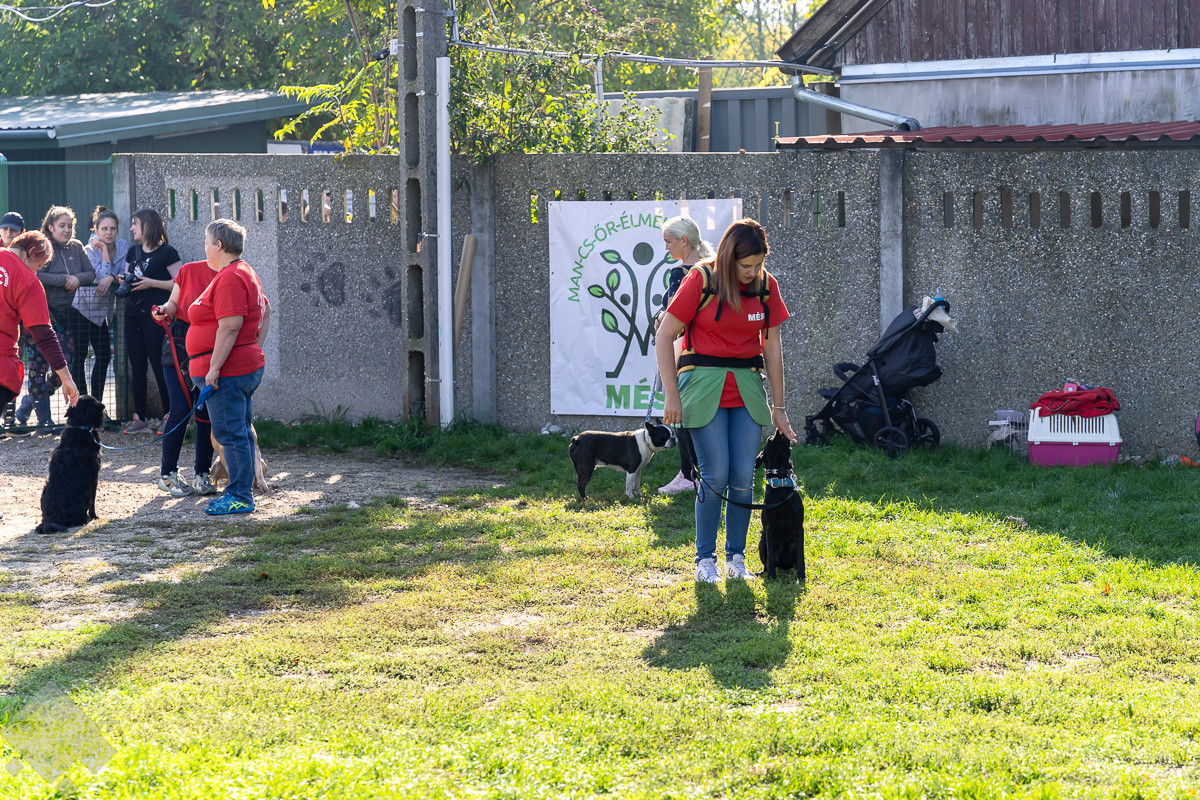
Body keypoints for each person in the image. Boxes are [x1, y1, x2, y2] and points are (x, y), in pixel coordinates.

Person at [655, 218, 796, 584]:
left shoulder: (767, 285)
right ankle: (705, 560)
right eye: (745, 265)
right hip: (703, 386)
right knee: (715, 475)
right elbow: (664, 335)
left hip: (747, 387)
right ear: (728, 257)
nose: (752, 272)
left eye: (758, 264)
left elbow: (772, 346)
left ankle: (737, 558)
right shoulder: (700, 279)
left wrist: (779, 407)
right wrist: (672, 394)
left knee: (743, 477)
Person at [185, 219, 271, 515]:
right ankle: (240, 492)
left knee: (231, 434)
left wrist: (214, 368)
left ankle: (239, 496)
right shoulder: (242, 272)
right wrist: (253, 347)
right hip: (238, 367)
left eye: (206, 242)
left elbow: (231, 325)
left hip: (228, 373)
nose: (205, 247)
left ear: (218, 245)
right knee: (240, 432)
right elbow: (266, 310)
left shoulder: (232, 277)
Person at [150, 253, 219, 498]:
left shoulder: (231, 273)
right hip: (179, 344)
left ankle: (202, 473)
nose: (206, 245)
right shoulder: (188, 270)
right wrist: (162, 310)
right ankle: (168, 474)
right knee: (180, 408)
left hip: (213, 346)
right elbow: (173, 303)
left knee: (206, 412)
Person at [656, 215, 714, 496]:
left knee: (679, 413)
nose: (666, 247)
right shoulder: (713, 269)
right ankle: (705, 472)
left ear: (683, 240)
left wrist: (660, 319)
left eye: (668, 241)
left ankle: (688, 474)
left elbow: (673, 320)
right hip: (712, 354)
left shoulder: (682, 274)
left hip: (684, 351)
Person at [1, 231, 79, 413]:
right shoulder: (29, 282)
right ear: (31, 252)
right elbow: (44, 335)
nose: (40, 268)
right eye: (41, 263)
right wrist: (66, 378)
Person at [120, 208, 180, 433]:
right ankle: (139, 417)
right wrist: (125, 280)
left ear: (148, 225)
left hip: (156, 318)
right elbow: (127, 277)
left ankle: (169, 415)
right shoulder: (132, 251)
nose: (132, 228)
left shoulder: (167, 252)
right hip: (132, 315)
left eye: (135, 223)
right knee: (137, 367)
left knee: (159, 365)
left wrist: (151, 283)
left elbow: (179, 283)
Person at [73, 206, 126, 405]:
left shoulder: (123, 247)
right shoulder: (89, 250)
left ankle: (96, 404)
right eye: (104, 229)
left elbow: (123, 276)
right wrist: (103, 249)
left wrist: (113, 278)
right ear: (95, 230)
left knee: (104, 356)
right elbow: (101, 277)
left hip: (100, 313)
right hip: (81, 309)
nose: (108, 233)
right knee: (79, 358)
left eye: (112, 228)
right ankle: (82, 406)